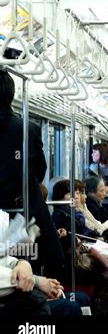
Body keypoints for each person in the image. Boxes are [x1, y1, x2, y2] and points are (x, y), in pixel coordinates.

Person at [0, 70, 64, 277]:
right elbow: (40, 170)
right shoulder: (29, 129)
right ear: (11, 94)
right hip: (25, 215)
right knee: (30, 271)